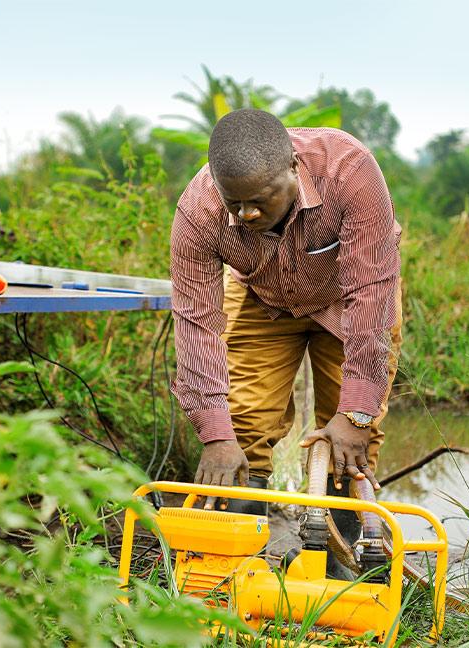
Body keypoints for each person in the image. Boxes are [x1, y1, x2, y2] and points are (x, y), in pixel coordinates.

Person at [170, 109, 402, 543]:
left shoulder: (349, 171)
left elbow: (370, 294)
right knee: (242, 424)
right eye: (234, 203)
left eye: (260, 199)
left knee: (351, 438)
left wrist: (355, 414)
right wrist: (216, 436)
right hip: (262, 295)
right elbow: (196, 324)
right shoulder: (198, 211)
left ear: (294, 167)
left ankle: (342, 566)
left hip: (346, 300)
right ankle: (239, 562)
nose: (247, 215)